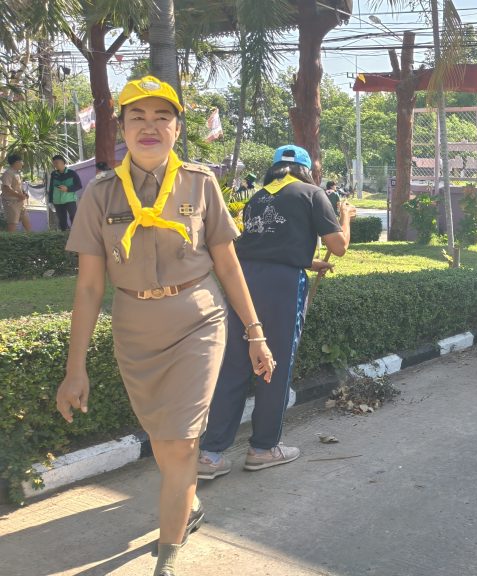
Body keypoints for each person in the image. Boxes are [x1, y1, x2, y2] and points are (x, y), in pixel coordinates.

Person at [56, 76, 275, 576]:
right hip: (135, 330)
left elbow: (228, 265)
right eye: (138, 117)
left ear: (177, 128)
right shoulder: (100, 194)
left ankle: (167, 557)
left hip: (198, 320)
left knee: (179, 442)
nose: (149, 126)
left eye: (162, 117)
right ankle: (187, 504)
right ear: (123, 129)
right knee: (164, 439)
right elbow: (89, 288)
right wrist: (75, 368)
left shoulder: (200, 182)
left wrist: (255, 332)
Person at [198, 145, 355, 480]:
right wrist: (345, 215)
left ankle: (210, 455)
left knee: (234, 364)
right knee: (274, 365)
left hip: (243, 282)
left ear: (275, 168)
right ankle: (263, 448)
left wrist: (306, 260)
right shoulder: (312, 194)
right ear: (306, 170)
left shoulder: (258, 196)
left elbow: (265, 246)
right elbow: (339, 246)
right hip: (282, 287)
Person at [48, 155, 83, 231]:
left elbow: (79, 185)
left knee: (74, 218)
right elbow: (51, 188)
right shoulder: (53, 174)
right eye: (54, 163)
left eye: (56, 162)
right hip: (57, 201)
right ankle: (64, 235)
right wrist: (50, 201)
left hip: (70, 200)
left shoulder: (72, 173)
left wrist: (67, 189)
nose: (55, 165)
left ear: (63, 162)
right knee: (62, 221)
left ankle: (76, 234)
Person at [2, 152, 31, 232]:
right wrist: (19, 195)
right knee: (13, 224)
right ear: (17, 162)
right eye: (22, 161)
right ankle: (10, 240)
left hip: (20, 203)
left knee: (27, 223)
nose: (23, 163)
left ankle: (30, 238)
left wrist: (24, 193)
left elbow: (17, 186)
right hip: (11, 203)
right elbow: (6, 188)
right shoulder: (8, 173)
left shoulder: (17, 173)